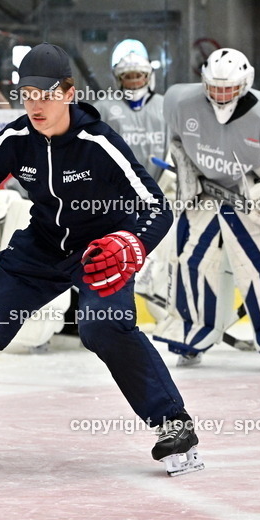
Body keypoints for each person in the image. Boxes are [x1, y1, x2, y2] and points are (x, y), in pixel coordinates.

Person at [0, 42, 203, 476]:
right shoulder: (17, 139)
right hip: (41, 247)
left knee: (103, 326)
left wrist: (132, 245)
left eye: (46, 94)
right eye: (27, 94)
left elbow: (155, 205)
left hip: (101, 250)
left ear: (69, 93)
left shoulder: (98, 142)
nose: (36, 104)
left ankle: (172, 421)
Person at [153, 48, 260, 370]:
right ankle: (190, 335)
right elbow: (176, 136)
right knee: (191, 263)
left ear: (245, 83)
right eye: (214, 88)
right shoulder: (178, 100)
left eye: (228, 88)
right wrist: (184, 165)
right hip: (203, 195)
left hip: (248, 196)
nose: (221, 95)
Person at [91, 39, 171, 322]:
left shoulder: (165, 107)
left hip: (158, 196)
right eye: (127, 77)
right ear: (118, 79)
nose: (134, 81)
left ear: (149, 77)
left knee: (160, 258)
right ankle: (112, 315)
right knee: (115, 254)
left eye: (138, 76)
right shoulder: (104, 108)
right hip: (118, 199)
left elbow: (176, 148)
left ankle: (166, 313)